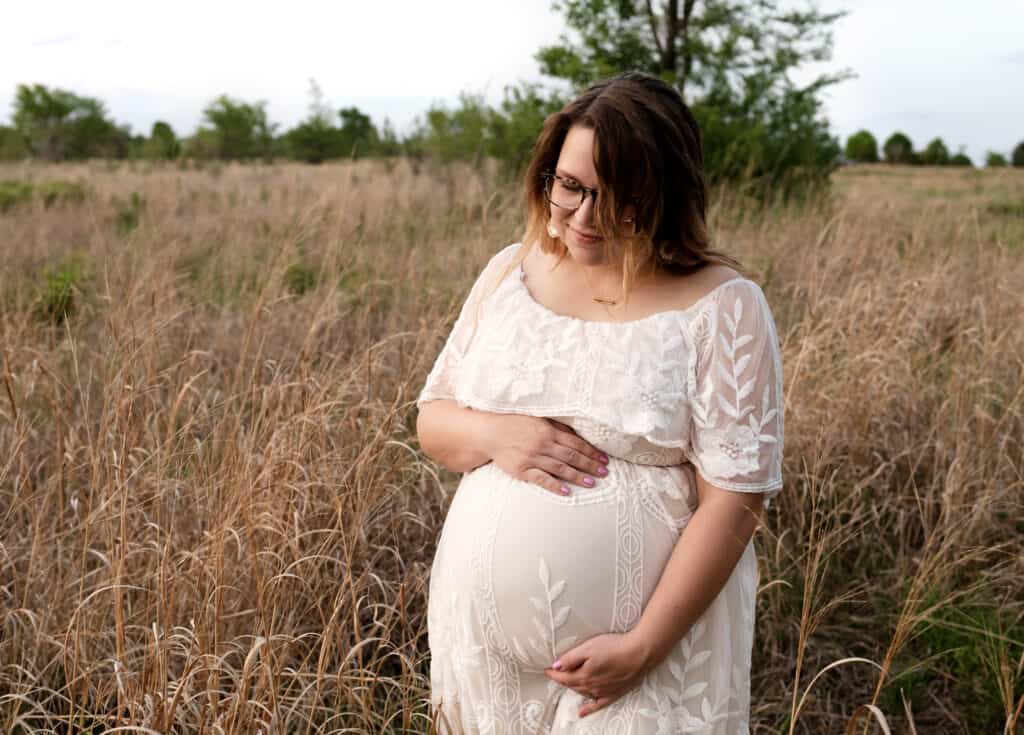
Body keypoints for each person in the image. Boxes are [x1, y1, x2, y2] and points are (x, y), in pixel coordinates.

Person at [415, 70, 784, 734]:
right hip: (481, 655)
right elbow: (434, 419)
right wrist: (500, 435)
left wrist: (645, 646)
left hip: (640, 667)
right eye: (571, 186)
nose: (584, 216)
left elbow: (736, 499)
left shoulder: (724, 305)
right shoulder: (509, 270)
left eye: (616, 197)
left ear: (665, 194)